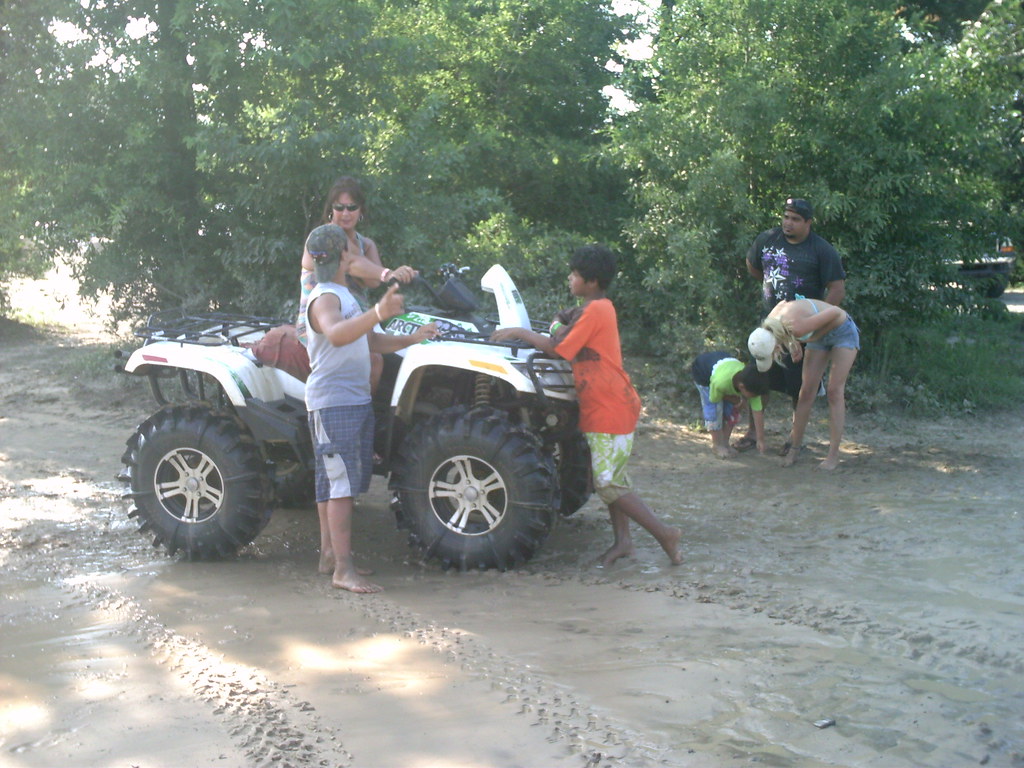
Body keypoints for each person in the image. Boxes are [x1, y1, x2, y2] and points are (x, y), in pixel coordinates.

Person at [491, 244, 682, 568]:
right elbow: (563, 329)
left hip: (609, 406)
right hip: (608, 403)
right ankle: (623, 541)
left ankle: (665, 534)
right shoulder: (595, 308)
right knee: (613, 477)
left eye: (575, 274)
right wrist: (556, 323)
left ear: (591, 281)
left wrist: (519, 331)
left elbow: (558, 348)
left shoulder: (595, 311)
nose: (570, 278)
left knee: (607, 482)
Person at [303, 224, 437, 592]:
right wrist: (379, 309)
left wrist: (412, 338)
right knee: (340, 486)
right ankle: (343, 570)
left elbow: (370, 340)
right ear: (344, 258)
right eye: (350, 252)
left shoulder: (344, 296)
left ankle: (330, 555)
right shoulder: (325, 298)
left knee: (334, 483)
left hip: (351, 401)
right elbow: (336, 333)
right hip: (334, 404)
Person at [738, 197, 846, 451]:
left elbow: (837, 289)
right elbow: (753, 266)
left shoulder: (821, 250)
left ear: (808, 222)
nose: (788, 223)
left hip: (801, 330)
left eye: (796, 219)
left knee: (799, 385)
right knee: (757, 376)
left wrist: (816, 324)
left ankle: (794, 439)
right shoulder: (767, 239)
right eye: (786, 217)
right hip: (769, 327)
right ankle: (753, 433)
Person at [747, 297, 859, 470]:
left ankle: (833, 456)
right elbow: (782, 304)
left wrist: (809, 339)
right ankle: (794, 449)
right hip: (816, 331)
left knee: (834, 392)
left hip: (842, 330)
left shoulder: (797, 328)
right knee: (805, 392)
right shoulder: (769, 324)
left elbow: (838, 313)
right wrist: (793, 342)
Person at [690, 351, 770, 458]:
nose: (753, 398)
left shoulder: (752, 385)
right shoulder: (720, 383)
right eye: (752, 396)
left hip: (725, 369)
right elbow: (713, 399)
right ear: (742, 387)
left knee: (732, 411)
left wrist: (760, 439)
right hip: (703, 374)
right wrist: (735, 400)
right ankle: (717, 445)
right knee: (714, 412)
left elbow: (757, 412)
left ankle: (725, 443)